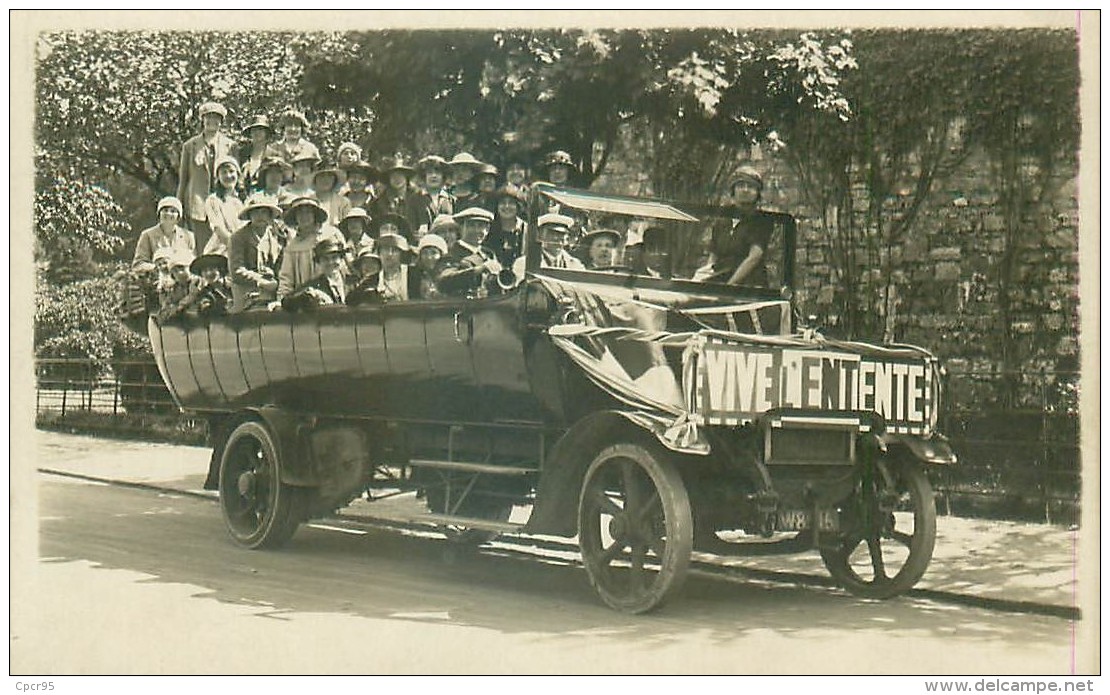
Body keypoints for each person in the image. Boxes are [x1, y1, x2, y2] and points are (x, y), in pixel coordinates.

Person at [692, 166, 773, 286]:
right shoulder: (723, 219)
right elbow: (714, 255)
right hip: (721, 280)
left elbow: (754, 257)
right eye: (740, 186)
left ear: (757, 193)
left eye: (750, 186)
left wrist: (729, 286)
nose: (745, 190)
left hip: (749, 286)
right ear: (733, 191)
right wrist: (707, 280)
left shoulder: (762, 220)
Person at [176, 101, 235, 254]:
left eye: (216, 118)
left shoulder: (231, 146)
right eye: (207, 118)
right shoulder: (190, 146)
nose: (211, 122)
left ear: (221, 122)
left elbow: (235, 177)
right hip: (198, 205)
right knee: (202, 248)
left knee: (224, 245)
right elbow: (184, 179)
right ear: (202, 120)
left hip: (223, 204)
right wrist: (179, 206)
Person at [273, 196, 344, 306]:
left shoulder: (331, 234)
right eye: (300, 213)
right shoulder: (292, 246)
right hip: (304, 301)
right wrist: (281, 301)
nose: (304, 217)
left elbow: (342, 268)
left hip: (332, 296)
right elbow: (286, 278)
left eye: (308, 212)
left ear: (315, 215)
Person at [228, 194, 283, 312]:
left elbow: (280, 267)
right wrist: (261, 282)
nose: (260, 216)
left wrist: (275, 283)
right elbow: (237, 270)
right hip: (245, 294)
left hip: (271, 294)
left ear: (270, 216)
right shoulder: (238, 237)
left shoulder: (276, 237)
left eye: (264, 212)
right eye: (255, 212)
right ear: (249, 215)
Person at [436, 207, 502, 298]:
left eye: (481, 226)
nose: (477, 230)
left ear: (487, 230)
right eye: (471, 225)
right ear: (461, 228)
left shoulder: (489, 254)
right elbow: (443, 282)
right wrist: (479, 269)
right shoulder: (452, 253)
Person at [281, 237, 347, 312]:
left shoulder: (351, 281)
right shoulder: (315, 285)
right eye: (325, 259)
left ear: (341, 259)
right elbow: (286, 302)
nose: (330, 262)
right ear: (319, 262)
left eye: (334, 257)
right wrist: (309, 295)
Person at [511, 212, 584, 278]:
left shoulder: (576, 266)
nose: (558, 238)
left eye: (562, 234)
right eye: (552, 233)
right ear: (540, 236)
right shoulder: (524, 264)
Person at [132, 196, 196, 271]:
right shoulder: (147, 235)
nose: (168, 214)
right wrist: (157, 268)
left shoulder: (188, 236)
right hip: (155, 278)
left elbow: (193, 263)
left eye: (173, 211)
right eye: (165, 210)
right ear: (159, 214)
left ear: (178, 216)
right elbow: (138, 264)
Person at [201, 156, 244, 256]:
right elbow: (219, 229)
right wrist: (236, 248)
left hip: (243, 247)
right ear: (218, 177)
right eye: (224, 172)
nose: (228, 175)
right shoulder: (213, 200)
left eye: (231, 171)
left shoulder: (243, 200)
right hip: (222, 248)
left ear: (237, 174)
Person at [371, 156, 423, 235]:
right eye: (393, 176)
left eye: (400, 175)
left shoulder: (418, 199)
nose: (397, 179)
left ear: (406, 177)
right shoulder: (379, 202)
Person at [485, 186, 527, 267]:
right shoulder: (489, 228)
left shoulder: (526, 230)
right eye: (502, 203)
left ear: (518, 206)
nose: (506, 206)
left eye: (511, 203)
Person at [157, 250, 202, 322]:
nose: (179, 273)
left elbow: (192, 296)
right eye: (175, 271)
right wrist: (167, 306)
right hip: (184, 317)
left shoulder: (196, 282)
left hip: (197, 314)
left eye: (182, 268)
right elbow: (171, 300)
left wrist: (179, 306)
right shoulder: (176, 287)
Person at [238, 115, 274, 194]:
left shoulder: (273, 154)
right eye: (254, 130)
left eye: (260, 129)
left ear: (266, 132)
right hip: (244, 195)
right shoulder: (242, 153)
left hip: (266, 196)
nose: (257, 132)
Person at [415, 154, 454, 226]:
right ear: (424, 176)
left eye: (438, 173)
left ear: (443, 177)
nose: (434, 176)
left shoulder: (451, 199)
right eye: (430, 172)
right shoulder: (414, 199)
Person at [375, 232, 413, 302]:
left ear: (401, 254)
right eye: (386, 249)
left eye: (395, 250)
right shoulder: (373, 280)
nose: (389, 254)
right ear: (379, 253)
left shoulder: (413, 274)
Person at [410, 233, 448, 300]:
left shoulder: (448, 275)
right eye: (425, 253)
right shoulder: (412, 276)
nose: (429, 257)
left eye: (433, 253)